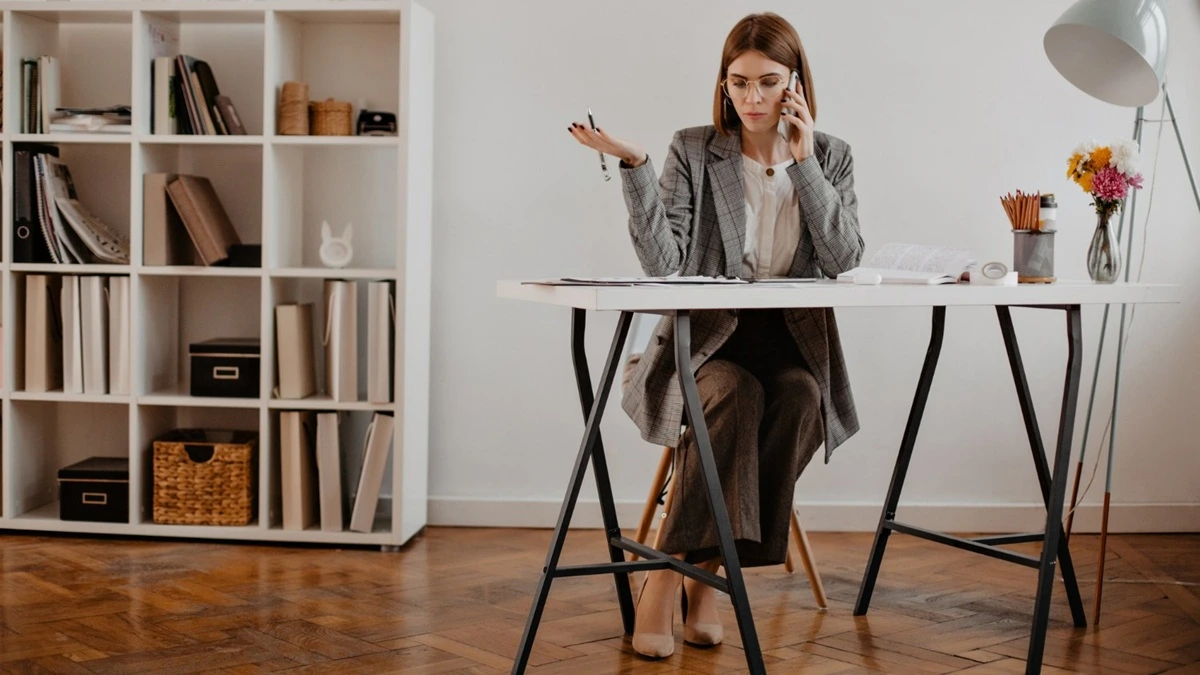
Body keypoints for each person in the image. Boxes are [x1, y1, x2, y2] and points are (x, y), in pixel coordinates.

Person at [568, 11, 864, 661]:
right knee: (735, 395)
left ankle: (710, 577)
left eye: (767, 82)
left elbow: (844, 256)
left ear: (796, 84)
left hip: (789, 345)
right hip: (704, 345)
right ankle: (674, 576)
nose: (752, 99)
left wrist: (804, 162)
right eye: (738, 83)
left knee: (798, 399)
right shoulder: (695, 149)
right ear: (723, 84)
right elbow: (664, 265)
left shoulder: (833, 155)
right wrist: (637, 165)